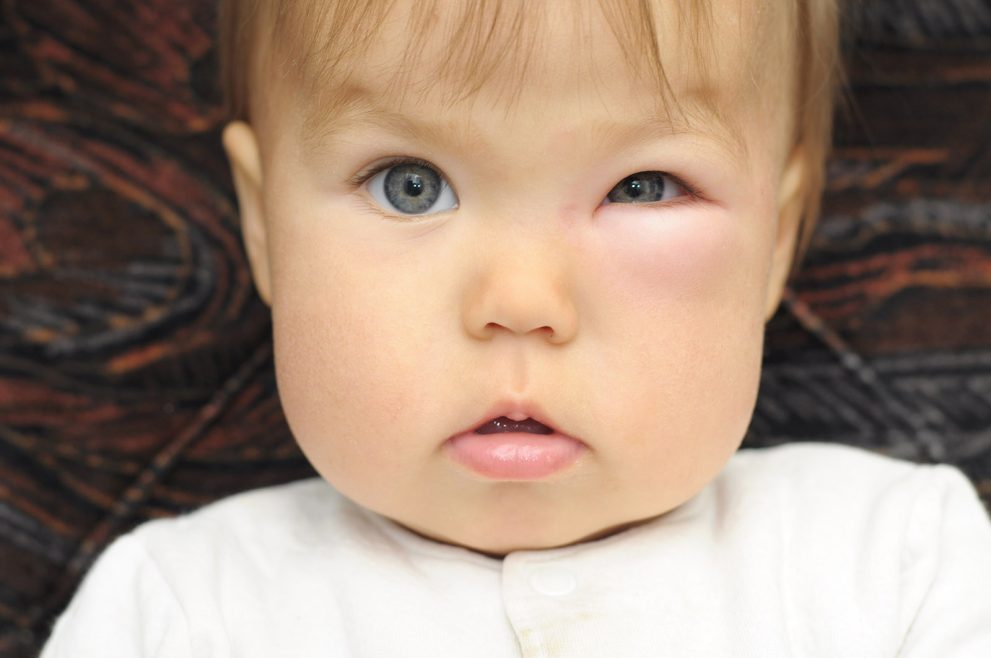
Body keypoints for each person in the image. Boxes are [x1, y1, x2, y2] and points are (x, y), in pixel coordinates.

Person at [41, 0, 991, 655]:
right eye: (410, 185)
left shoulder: (898, 565)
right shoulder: (176, 612)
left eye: (643, 187)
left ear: (777, 240)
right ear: (263, 226)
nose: (522, 300)